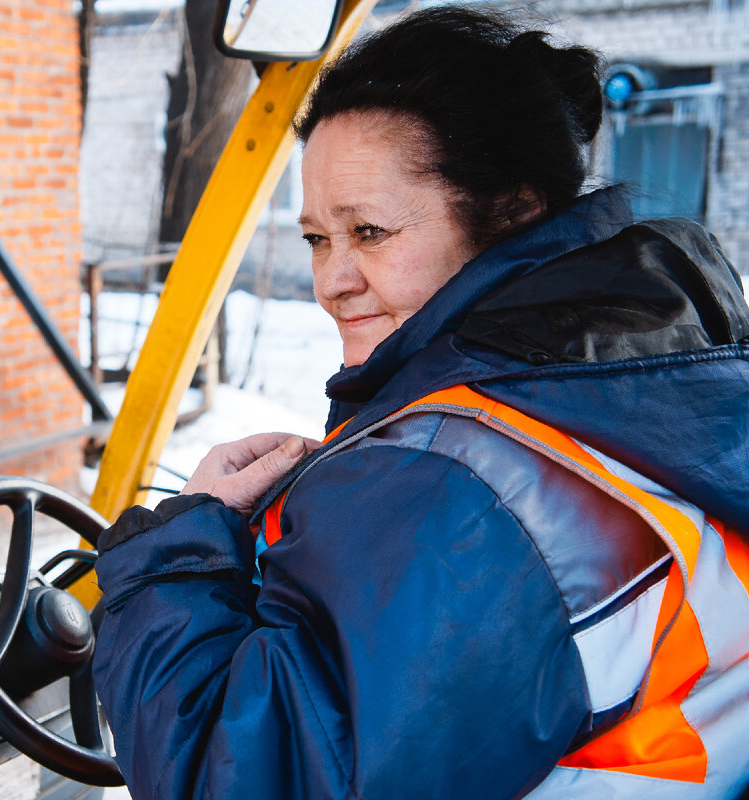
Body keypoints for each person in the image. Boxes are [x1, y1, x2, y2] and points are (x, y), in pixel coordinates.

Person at [89, 6, 749, 799]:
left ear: (512, 209)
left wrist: (175, 563)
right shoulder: (645, 390)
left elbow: (237, 780)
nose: (331, 280)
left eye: (368, 231)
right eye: (316, 238)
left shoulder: (464, 486)